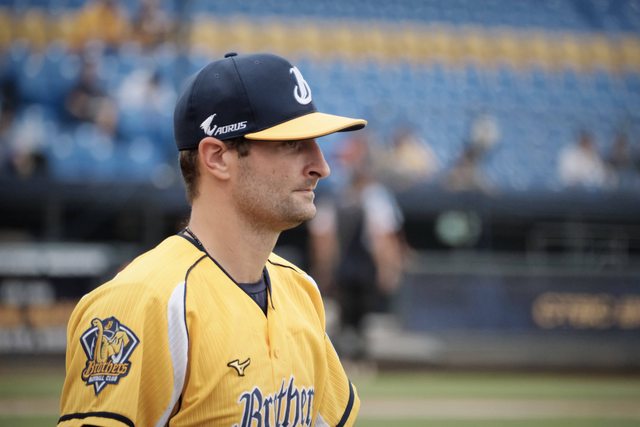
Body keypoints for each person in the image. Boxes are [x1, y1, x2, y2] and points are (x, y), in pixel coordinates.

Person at [58, 52, 366, 426]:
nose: (322, 166)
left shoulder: (300, 290)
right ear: (217, 157)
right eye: (291, 143)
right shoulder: (142, 301)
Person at [309, 134, 405, 360]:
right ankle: (352, 358)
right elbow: (382, 238)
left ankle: (348, 357)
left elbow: (323, 239)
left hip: (349, 267)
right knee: (354, 318)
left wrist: (324, 268)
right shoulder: (371, 197)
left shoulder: (340, 197)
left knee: (349, 317)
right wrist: (388, 269)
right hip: (359, 268)